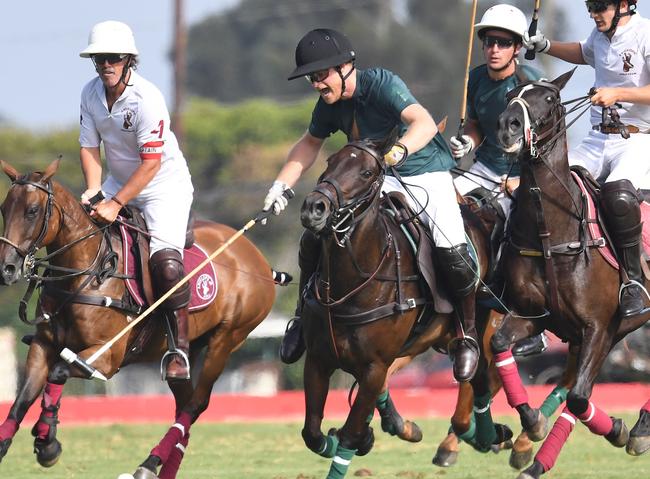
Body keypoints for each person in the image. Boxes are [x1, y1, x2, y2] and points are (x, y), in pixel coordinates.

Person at [263, 28, 480, 382]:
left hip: (423, 172)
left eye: (321, 76)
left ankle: (467, 333)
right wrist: (281, 185)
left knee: (451, 249)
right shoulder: (329, 106)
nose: (317, 84)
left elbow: (422, 122)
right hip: (378, 179)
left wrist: (400, 149)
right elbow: (308, 144)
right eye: (312, 79)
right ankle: (304, 317)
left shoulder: (381, 84)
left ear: (346, 67)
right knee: (318, 235)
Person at [78, 21, 194, 380]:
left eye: (113, 58)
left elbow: (151, 164)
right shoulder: (90, 92)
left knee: (167, 265)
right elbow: (89, 145)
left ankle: (179, 348)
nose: (105, 65)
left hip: (164, 188)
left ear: (129, 60)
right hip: (117, 181)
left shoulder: (147, 99)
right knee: (79, 239)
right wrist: (95, 190)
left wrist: (114, 204)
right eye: (99, 59)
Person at [525, 0, 650, 317]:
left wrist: (617, 93)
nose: (593, 14)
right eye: (590, 6)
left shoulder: (645, 33)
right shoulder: (599, 35)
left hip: (636, 138)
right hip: (597, 138)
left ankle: (634, 281)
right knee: (553, 187)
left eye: (599, 7)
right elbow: (582, 52)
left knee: (619, 196)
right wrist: (547, 45)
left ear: (624, 4)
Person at [451, 4, 547, 357]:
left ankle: (532, 316)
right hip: (483, 168)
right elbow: (476, 125)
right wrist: (468, 141)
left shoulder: (530, 82)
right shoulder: (475, 78)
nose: (494, 48)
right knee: (437, 206)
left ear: (517, 48)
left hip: (521, 175)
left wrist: (522, 181)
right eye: (489, 41)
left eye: (503, 43)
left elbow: (545, 139)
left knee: (516, 233)